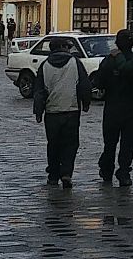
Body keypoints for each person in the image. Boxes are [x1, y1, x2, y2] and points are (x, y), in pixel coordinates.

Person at [32, 37, 90, 187]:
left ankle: (53, 175)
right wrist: (86, 103)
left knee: (53, 144)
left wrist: (38, 111)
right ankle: (66, 173)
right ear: (64, 47)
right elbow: (84, 84)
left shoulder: (44, 65)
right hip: (71, 110)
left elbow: (39, 91)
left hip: (52, 112)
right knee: (70, 144)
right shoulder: (75, 63)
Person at [93, 29, 133, 186]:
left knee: (110, 142)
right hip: (132, 108)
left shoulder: (109, 60)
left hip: (112, 107)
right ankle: (124, 172)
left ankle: (107, 170)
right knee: (128, 143)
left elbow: (98, 82)